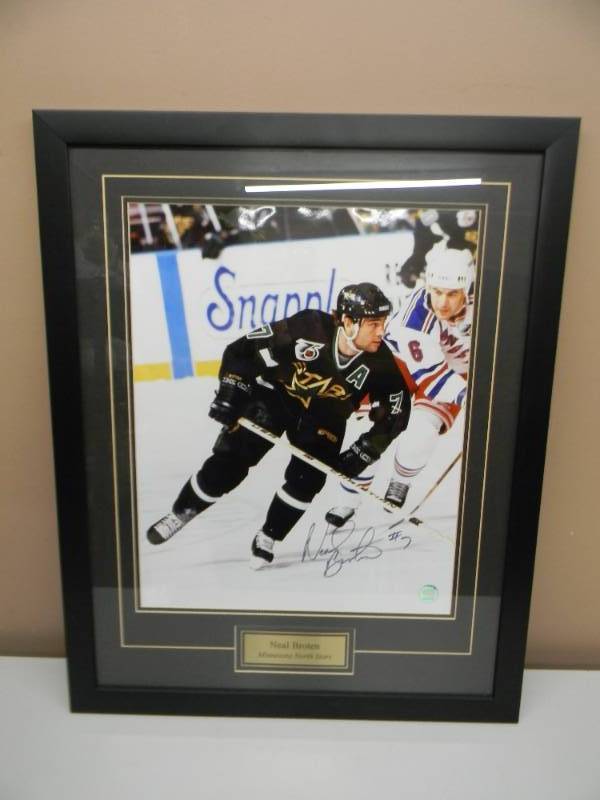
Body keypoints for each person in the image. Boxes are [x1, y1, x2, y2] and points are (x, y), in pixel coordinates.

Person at [146, 283, 412, 567]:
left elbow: (396, 413)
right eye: (373, 323)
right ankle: (182, 512)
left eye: (383, 322)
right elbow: (244, 349)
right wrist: (231, 392)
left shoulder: (381, 363)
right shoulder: (308, 327)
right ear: (347, 322)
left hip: (327, 413)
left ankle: (269, 536)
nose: (381, 331)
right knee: (232, 458)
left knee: (308, 478)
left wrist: (363, 453)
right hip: (277, 393)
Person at [326, 246, 473, 527]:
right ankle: (350, 497)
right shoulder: (413, 319)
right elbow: (431, 375)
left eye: (452, 294)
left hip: (451, 372)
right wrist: (469, 396)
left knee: (421, 433)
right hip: (403, 370)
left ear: (466, 289)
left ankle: (400, 482)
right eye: (436, 291)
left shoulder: (489, 303)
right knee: (374, 430)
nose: (442, 302)